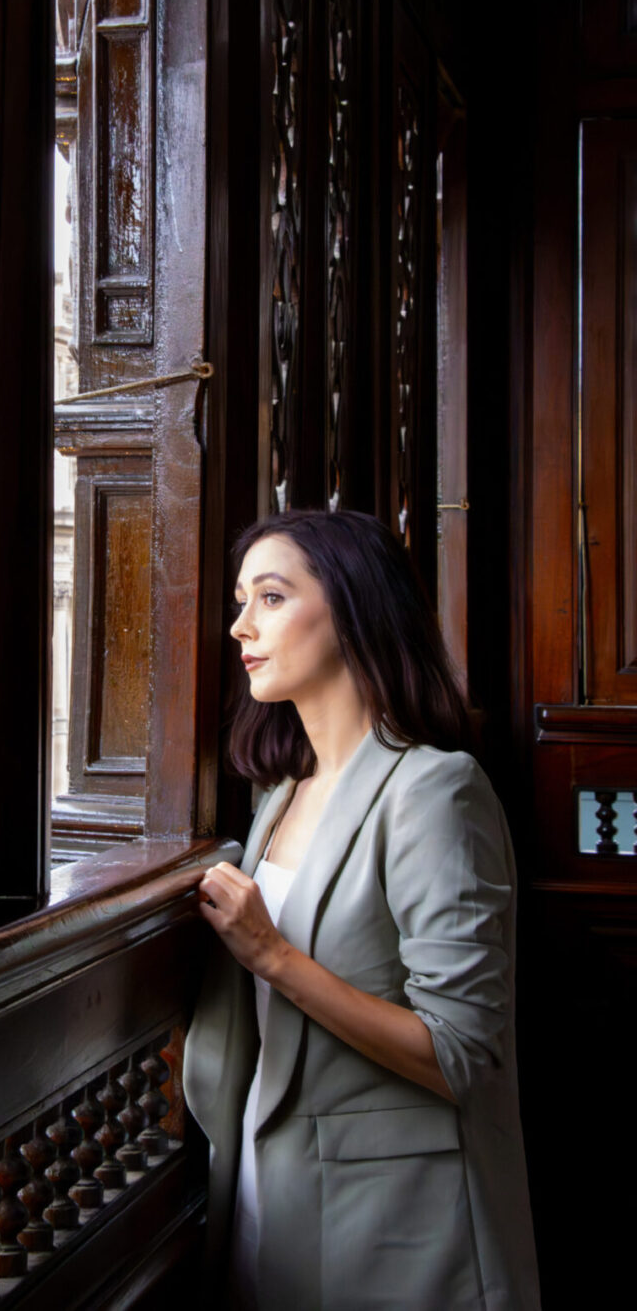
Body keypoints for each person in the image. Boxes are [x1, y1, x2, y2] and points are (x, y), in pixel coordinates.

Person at [182, 510, 540, 1311]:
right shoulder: (278, 797)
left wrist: (273, 955)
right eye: (242, 600)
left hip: (399, 1224)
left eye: (271, 598)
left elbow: (461, 1055)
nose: (241, 624)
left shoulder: (435, 791)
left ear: (353, 607)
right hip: (265, 1195)